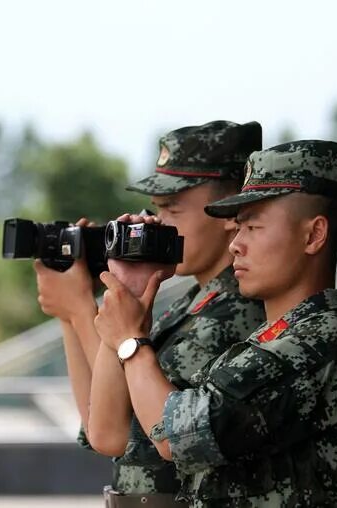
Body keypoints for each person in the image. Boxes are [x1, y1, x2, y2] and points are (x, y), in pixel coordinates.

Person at [94, 140, 337, 506]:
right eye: (238, 227)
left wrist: (131, 343)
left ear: (313, 235)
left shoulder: (323, 340)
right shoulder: (272, 339)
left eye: (253, 228)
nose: (236, 244)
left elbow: (176, 435)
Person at [34, 121, 266, 507]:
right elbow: (97, 418)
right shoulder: (190, 301)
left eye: (173, 208)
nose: (158, 222)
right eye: (156, 208)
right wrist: (72, 313)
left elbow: (117, 430)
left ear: (231, 210)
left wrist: (80, 311)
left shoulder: (236, 313)